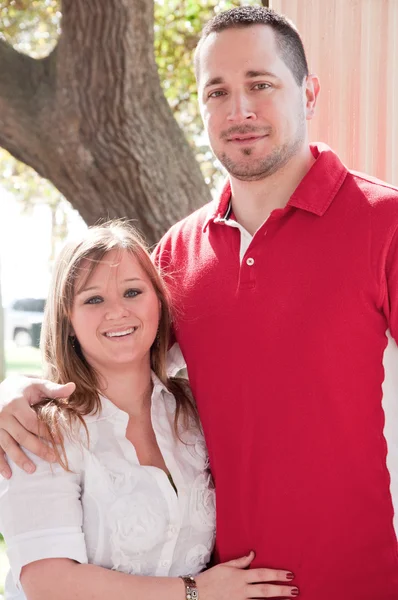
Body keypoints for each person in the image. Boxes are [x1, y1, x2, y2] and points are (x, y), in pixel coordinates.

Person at [1, 5, 398, 599]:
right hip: (218, 589)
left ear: (308, 93)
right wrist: (19, 395)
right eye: (217, 92)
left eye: (260, 84)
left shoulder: (384, 222)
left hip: (359, 584)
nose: (239, 111)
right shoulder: (178, 253)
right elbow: (112, 363)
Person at [0, 221, 298, 600]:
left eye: (132, 292)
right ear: (68, 320)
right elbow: (50, 585)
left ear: (158, 302)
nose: (117, 312)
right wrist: (195, 592)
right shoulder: (41, 429)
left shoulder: (193, 411)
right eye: (93, 299)